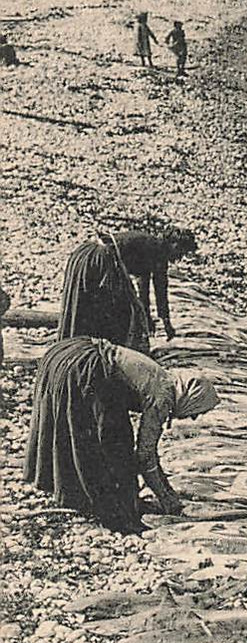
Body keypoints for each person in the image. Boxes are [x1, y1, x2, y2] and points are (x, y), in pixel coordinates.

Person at [25, 336, 218, 533]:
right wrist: (167, 498)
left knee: (94, 433)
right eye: (197, 411)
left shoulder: (164, 379)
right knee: (112, 444)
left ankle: (77, 493)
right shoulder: (163, 396)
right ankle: (107, 508)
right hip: (84, 366)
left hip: (72, 352)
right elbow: (145, 456)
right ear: (191, 398)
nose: (193, 419)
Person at [58, 227, 198, 352]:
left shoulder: (154, 248)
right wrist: (160, 322)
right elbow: (157, 291)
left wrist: (158, 319)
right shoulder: (157, 251)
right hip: (98, 259)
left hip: (84, 256)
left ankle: (82, 344)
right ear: (174, 244)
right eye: (181, 252)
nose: (179, 258)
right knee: (118, 310)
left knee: (92, 306)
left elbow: (149, 289)